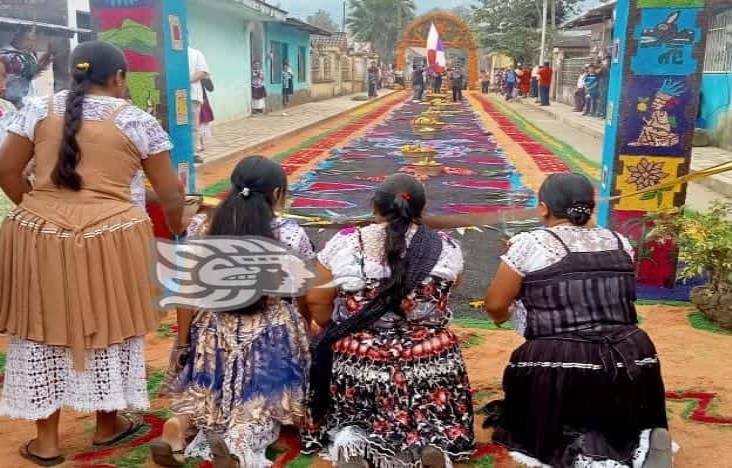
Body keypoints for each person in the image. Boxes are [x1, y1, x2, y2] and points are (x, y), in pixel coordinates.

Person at [0, 41, 186, 467]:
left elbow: (6, 170)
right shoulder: (137, 121)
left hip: (37, 235)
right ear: (119, 77)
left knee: (38, 327)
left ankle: (46, 443)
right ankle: (108, 424)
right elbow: (172, 195)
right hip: (114, 235)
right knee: (112, 323)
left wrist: (35, 207)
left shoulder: (36, 109)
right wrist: (176, 229)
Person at [481, 173, 671, 468]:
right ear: (591, 207)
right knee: (611, 407)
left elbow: (495, 303)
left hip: (563, 361)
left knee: (544, 427)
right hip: (633, 357)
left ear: (543, 208)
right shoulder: (620, 242)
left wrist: (503, 316)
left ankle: (593, 454)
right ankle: (640, 439)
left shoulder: (532, 243)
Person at [303, 174, 475, 468]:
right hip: (430, 358)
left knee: (352, 412)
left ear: (374, 206)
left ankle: (351, 439)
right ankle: (433, 443)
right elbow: (450, 289)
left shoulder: (345, 242)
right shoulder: (446, 246)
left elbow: (318, 300)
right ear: (421, 208)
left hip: (360, 358)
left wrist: (338, 329)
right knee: (432, 414)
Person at [151, 155, 313, 468]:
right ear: (277, 194)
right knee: (258, 408)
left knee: (206, 394)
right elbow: (301, 294)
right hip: (269, 334)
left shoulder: (202, 227)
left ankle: (179, 425)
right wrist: (303, 330)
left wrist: (184, 342)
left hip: (214, 328)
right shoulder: (290, 235)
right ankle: (239, 444)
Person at [0, 27, 54, 109]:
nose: (32, 41)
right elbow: (11, 80)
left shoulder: (30, 54)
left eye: (33, 40)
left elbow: (30, 77)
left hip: (29, 102)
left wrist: (41, 67)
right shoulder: (5, 53)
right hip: (12, 103)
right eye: (27, 39)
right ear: (18, 33)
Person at [188, 45, 210, 164]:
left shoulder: (195, 53)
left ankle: (193, 153)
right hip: (172, 95)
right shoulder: (168, 53)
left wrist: (185, 81)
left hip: (192, 95)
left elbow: (203, 72)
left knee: (193, 126)